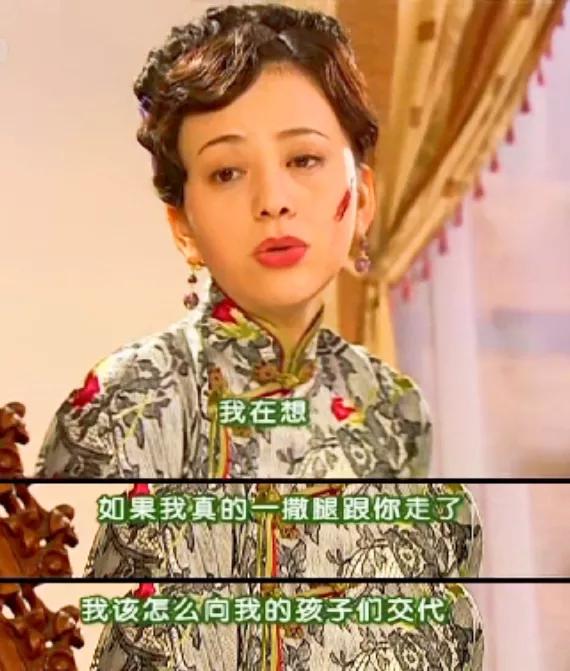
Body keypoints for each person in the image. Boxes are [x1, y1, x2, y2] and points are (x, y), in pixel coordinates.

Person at [31, 3, 433, 480]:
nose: (273, 201)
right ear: (183, 227)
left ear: (362, 198)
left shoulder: (395, 409)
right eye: (227, 173)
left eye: (303, 160)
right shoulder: (125, 402)